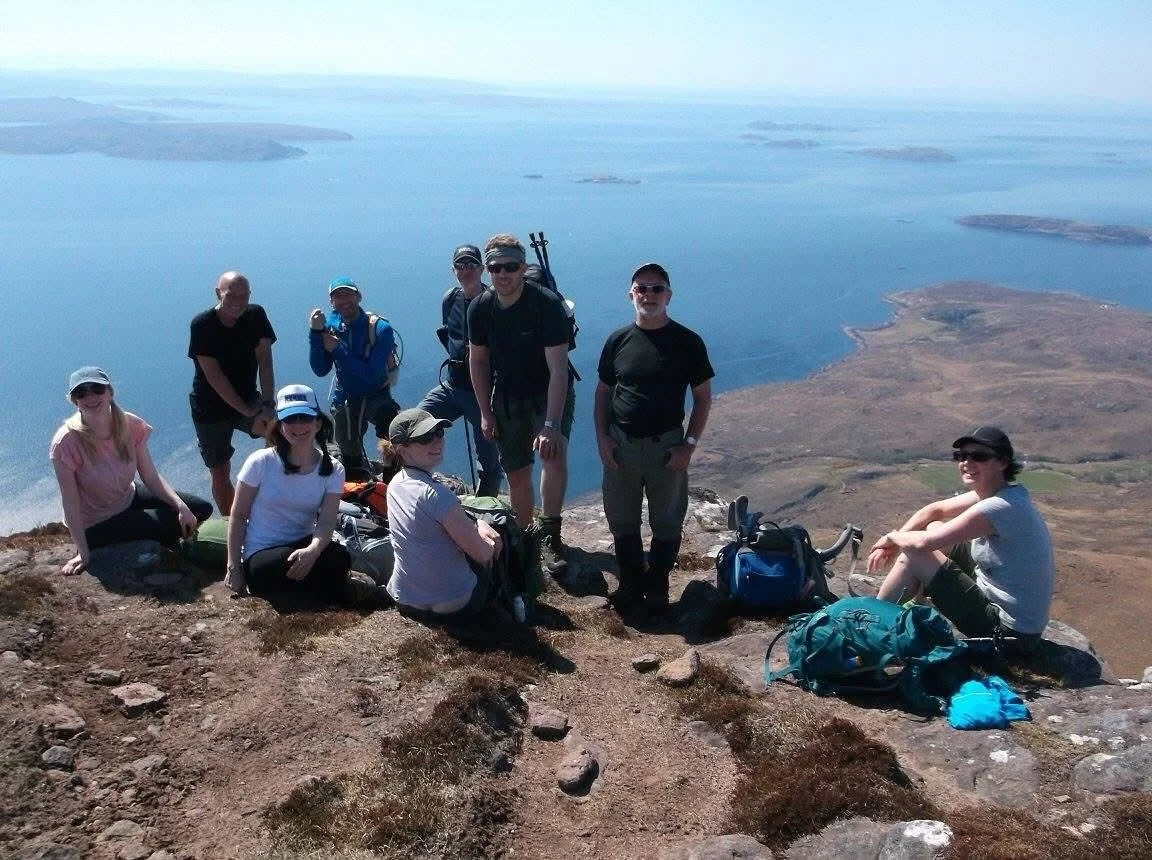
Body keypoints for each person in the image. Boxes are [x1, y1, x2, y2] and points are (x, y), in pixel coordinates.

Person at [867, 426, 1055, 653]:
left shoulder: (1000, 507)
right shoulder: (1002, 494)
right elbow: (934, 511)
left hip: (1009, 636)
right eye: (961, 456)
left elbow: (923, 544)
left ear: (1003, 462)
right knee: (934, 527)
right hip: (1010, 617)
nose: (967, 462)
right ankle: (915, 604)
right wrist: (894, 544)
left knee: (916, 554)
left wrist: (892, 537)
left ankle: (868, 626)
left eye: (979, 456)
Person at [595, 263, 714, 612]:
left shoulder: (687, 342)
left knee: (667, 519)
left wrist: (688, 446)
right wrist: (603, 439)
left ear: (668, 296)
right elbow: (603, 392)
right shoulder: (617, 341)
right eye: (642, 289)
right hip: (622, 445)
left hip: (667, 447)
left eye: (656, 289)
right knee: (622, 518)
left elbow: (703, 396)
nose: (649, 295)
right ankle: (631, 585)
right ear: (631, 295)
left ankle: (658, 585)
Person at [467, 233, 574, 574]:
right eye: (496, 267)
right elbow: (478, 361)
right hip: (508, 396)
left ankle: (550, 534)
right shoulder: (480, 308)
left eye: (511, 267)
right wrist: (484, 412)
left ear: (523, 267)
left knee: (552, 456)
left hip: (548, 392)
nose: (503, 274)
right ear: (487, 270)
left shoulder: (545, 305)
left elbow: (559, 369)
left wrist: (552, 425)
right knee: (516, 472)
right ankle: (527, 537)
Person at [50, 367, 212, 576]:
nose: (90, 397)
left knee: (199, 510)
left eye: (97, 389)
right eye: (81, 393)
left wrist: (181, 506)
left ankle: (160, 534)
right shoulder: (66, 443)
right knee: (173, 522)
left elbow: (150, 476)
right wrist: (83, 552)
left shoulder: (129, 424)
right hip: (97, 522)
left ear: (110, 391)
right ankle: (160, 541)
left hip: (129, 495)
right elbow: (70, 503)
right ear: (74, 400)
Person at [225, 384, 350, 600]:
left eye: (305, 417)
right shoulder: (261, 462)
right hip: (263, 552)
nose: (298, 425)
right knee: (283, 563)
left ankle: (299, 591)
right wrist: (234, 567)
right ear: (280, 425)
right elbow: (238, 516)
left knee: (340, 558)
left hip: (304, 544)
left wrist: (313, 550)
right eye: (290, 419)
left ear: (318, 423)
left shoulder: (333, 469)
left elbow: (327, 522)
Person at [380, 408, 503, 622]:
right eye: (425, 437)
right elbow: (483, 555)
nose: (436, 441)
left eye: (439, 433)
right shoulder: (438, 495)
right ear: (402, 450)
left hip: (407, 599)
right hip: (454, 605)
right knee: (499, 534)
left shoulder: (395, 485)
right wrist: (490, 537)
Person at [417, 244, 504, 497]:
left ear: (482, 269)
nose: (465, 270)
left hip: (483, 393)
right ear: (453, 269)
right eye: (460, 265)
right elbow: (448, 334)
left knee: (488, 461)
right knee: (415, 423)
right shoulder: (451, 298)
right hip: (453, 385)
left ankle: (486, 509)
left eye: (471, 265)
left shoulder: (492, 302)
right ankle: (419, 487)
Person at [188, 271, 277, 516]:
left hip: (249, 396)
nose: (238, 300)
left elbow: (265, 360)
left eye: (243, 295)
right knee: (220, 469)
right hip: (210, 408)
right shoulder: (203, 324)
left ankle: (283, 504)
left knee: (282, 435)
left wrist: (268, 403)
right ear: (218, 293)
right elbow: (214, 376)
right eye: (231, 294)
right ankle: (232, 523)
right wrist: (248, 411)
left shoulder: (256, 315)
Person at [309, 277, 400, 480]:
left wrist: (338, 351)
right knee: (349, 450)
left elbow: (372, 374)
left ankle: (392, 482)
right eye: (338, 296)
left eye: (348, 294)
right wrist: (315, 333)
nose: (344, 300)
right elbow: (320, 368)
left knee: (392, 434)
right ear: (331, 302)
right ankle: (359, 486)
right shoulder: (330, 325)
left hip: (376, 394)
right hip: (346, 397)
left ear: (358, 297)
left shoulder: (380, 329)